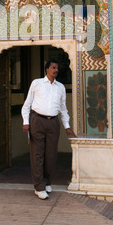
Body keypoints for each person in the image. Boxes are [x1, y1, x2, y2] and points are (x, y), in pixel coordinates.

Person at [21, 60, 76, 200]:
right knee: (37, 154)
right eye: (53, 67)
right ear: (47, 69)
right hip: (37, 121)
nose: (56, 70)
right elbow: (27, 105)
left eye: (57, 68)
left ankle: (47, 181)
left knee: (51, 154)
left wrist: (67, 126)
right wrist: (26, 122)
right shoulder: (37, 83)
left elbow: (63, 109)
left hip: (53, 123)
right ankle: (38, 187)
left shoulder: (60, 87)